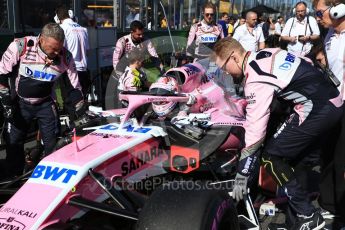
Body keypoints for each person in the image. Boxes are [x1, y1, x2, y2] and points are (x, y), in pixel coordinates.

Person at [212, 37, 343, 229]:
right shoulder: (268, 53)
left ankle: (308, 215)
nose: (225, 73)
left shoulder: (255, 77)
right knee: (292, 163)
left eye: (224, 67)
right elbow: (306, 61)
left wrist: (242, 173)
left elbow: (255, 130)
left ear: (233, 57)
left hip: (318, 109)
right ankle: (296, 222)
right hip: (334, 101)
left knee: (271, 156)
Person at [0, 23, 83, 177]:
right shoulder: (22, 46)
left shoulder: (65, 56)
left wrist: (79, 108)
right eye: (53, 48)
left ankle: (50, 176)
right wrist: (5, 101)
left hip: (45, 103)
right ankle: (14, 177)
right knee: (13, 141)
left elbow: (74, 87)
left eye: (60, 48)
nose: (57, 52)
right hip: (20, 102)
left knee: (53, 143)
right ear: (42, 40)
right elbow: (2, 74)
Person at [313, 0, 345, 226]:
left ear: (338, 10)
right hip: (332, 105)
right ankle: (328, 205)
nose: (317, 17)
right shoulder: (330, 36)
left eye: (319, 12)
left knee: (342, 159)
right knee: (327, 155)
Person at [55, 6, 90, 120]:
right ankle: (83, 127)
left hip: (70, 71)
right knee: (81, 102)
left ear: (58, 18)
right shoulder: (83, 29)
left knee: (70, 102)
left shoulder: (62, 28)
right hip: (84, 68)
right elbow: (87, 50)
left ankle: (73, 129)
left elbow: (60, 50)